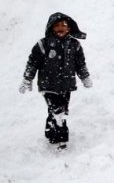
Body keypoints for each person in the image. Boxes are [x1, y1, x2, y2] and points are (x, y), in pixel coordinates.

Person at [18, 12, 92, 151]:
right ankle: (62, 140)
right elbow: (33, 63)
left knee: (57, 110)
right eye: (56, 25)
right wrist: (27, 79)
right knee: (59, 112)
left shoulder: (74, 45)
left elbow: (80, 64)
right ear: (51, 28)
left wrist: (85, 76)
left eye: (63, 25)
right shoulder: (43, 44)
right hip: (48, 85)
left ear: (69, 28)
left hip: (66, 85)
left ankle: (51, 133)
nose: (60, 28)